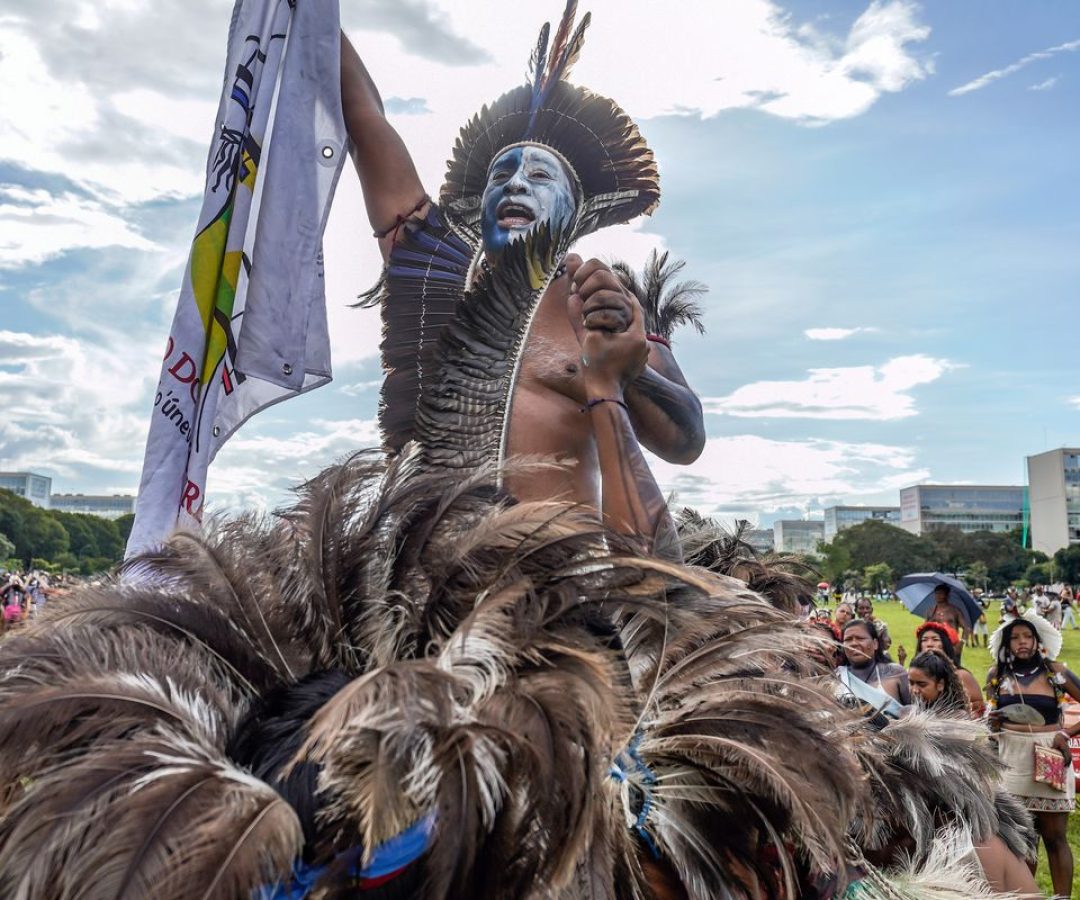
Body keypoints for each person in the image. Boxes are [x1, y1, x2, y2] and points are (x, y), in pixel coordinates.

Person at [339, 13, 705, 557]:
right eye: (501, 175)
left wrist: (624, 372)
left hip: (563, 586)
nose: (515, 184)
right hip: (427, 586)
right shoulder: (434, 267)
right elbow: (365, 118)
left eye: (539, 176)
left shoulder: (605, 304)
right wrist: (314, 20)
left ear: (576, 211)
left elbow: (686, 441)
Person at [986, 611, 1080, 897]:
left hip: (1049, 753)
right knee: (1021, 838)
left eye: (1028, 636)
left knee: (1054, 837)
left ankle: (1062, 897)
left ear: (1038, 641)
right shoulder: (997, 675)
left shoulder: (1055, 672)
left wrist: (1066, 734)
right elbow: (990, 718)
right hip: (1011, 758)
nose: (1022, 642)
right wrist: (993, 722)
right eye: (1015, 638)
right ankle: (1026, 895)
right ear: (1006, 644)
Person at [910, 620, 984, 716]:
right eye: (924, 640)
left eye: (935, 639)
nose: (929, 644)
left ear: (945, 644)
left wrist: (965, 718)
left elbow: (979, 707)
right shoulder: (915, 673)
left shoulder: (961, 675)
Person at [838, 618, 910, 710]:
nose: (854, 644)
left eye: (860, 638)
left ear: (875, 644)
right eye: (848, 640)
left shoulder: (895, 673)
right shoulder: (837, 678)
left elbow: (915, 711)